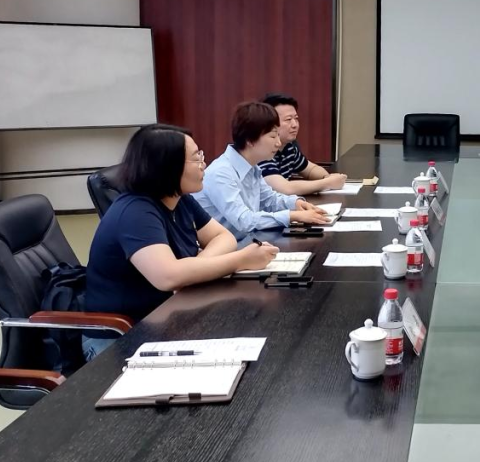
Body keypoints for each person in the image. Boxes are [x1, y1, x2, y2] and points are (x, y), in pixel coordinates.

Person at [84, 124, 279, 360]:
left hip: (167, 318)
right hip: (121, 336)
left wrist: (194, 267)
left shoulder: (180, 199)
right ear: (167, 166)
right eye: (197, 158)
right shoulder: (135, 212)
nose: (204, 164)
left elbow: (223, 237)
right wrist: (241, 260)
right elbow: (168, 277)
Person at [194, 101, 329, 238]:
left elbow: (269, 200)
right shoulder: (221, 173)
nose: (278, 143)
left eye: (278, 135)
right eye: (273, 136)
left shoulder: (252, 167)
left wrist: (296, 203)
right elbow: (244, 220)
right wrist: (291, 216)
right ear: (250, 140)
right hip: (226, 246)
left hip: (247, 241)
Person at [259, 92, 348, 196]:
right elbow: (284, 188)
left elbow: (310, 169)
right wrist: (327, 183)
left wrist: (327, 177)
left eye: (296, 118)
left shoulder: (289, 147)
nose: (295, 125)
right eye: (288, 119)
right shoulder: (261, 151)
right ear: (269, 123)